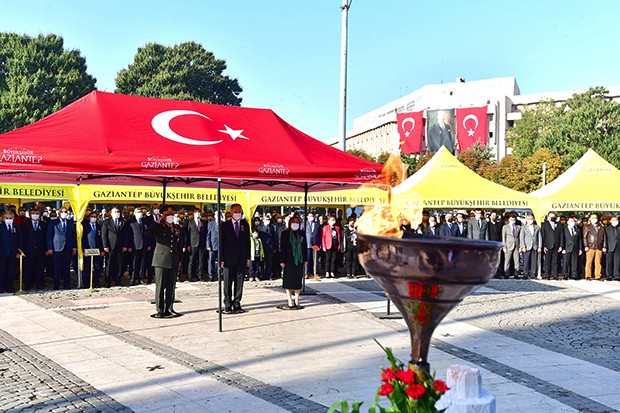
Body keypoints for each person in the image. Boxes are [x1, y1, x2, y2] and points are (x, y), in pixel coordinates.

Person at [146, 209, 183, 318]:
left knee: (171, 286)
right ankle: (160, 309)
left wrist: (179, 259)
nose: (171, 217)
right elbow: (148, 232)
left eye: (172, 215)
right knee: (160, 286)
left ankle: (169, 308)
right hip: (161, 260)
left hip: (173, 259)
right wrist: (158, 221)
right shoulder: (159, 227)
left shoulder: (177, 228)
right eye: (168, 215)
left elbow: (179, 245)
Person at [220, 203, 250, 314]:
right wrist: (221, 258)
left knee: (239, 282)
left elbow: (247, 242)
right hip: (228, 258)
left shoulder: (244, 224)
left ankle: (237, 303)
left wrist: (248, 257)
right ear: (231, 212)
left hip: (241, 258)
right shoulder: (225, 225)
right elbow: (221, 243)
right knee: (227, 282)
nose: (238, 214)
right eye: (236, 212)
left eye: (239, 212)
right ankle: (227, 303)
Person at [279, 215, 308, 309]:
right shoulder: (285, 234)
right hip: (288, 260)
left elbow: (304, 247)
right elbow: (282, 248)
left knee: (297, 280)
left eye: (297, 222)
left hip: (299, 260)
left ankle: (297, 300)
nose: (295, 224)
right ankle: (289, 301)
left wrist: (306, 259)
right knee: (288, 280)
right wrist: (282, 260)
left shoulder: (302, 233)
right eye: (293, 222)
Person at [46, 207, 77, 290]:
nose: (64, 213)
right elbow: (49, 236)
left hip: (68, 247)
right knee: (57, 267)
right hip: (57, 248)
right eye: (62, 212)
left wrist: (74, 247)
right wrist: (50, 248)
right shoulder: (53, 223)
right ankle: (56, 284)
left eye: (65, 211)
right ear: (59, 213)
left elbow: (73, 236)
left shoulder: (70, 223)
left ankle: (67, 284)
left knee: (66, 268)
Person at [20, 209, 47, 290]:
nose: (35, 215)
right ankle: (28, 284)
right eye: (33, 213)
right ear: (30, 214)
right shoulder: (25, 224)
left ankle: (39, 284)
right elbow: (22, 237)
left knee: (39, 267)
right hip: (28, 249)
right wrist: (21, 249)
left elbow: (46, 237)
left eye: (37, 213)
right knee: (28, 267)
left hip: (40, 249)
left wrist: (46, 249)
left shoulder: (43, 224)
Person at [101, 207, 126, 287]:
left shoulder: (122, 222)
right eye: (115, 212)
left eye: (118, 212)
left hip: (120, 245)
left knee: (119, 264)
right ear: (111, 213)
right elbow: (104, 234)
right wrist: (105, 245)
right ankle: (107, 281)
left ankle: (118, 280)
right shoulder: (106, 222)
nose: (117, 213)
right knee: (109, 264)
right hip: (110, 246)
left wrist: (125, 245)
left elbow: (125, 235)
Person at [125, 208, 148, 285]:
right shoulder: (131, 222)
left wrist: (148, 244)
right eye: (138, 212)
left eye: (140, 212)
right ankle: (133, 279)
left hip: (144, 245)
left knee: (142, 263)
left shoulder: (144, 221)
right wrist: (128, 245)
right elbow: (128, 235)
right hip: (134, 245)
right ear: (134, 213)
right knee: (134, 263)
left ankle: (141, 278)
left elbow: (147, 234)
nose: (140, 213)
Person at [82, 211, 104, 288]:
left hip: (97, 250)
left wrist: (102, 250)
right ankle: (86, 283)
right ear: (89, 218)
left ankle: (96, 282)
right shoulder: (85, 227)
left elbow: (101, 239)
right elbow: (82, 239)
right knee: (87, 267)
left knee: (97, 267)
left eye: (95, 217)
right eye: (92, 217)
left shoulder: (99, 226)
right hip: (88, 250)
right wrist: (83, 250)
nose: (94, 218)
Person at [0, 211, 21, 293]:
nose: (9, 219)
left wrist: (19, 251)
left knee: (11, 271)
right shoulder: (1, 227)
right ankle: (1, 287)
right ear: (3, 218)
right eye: (7, 218)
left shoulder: (17, 227)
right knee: (2, 270)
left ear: (13, 218)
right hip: (2, 252)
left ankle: (9, 287)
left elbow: (20, 240)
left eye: (10, 218)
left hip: (13, 252)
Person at [582, 213, 607, 280]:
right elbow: (584, 237)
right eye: (593, 218)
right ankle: (588, 275)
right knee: (589, 262)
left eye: (595, 218)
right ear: (590, 219)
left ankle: (598, 275)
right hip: (590, 246)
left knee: (598, 262)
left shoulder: (601, 227)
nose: (594, 219)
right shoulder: (587, 227)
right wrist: (586, 246)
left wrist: (604, 246)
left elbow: (604, 238)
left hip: (599, 246)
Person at [541, 211, 564, 280]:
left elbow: (561, 235)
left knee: (555, 261)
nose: (552, 218)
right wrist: (543, 246)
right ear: (548, 217)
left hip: (556, 245)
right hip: (548, 245)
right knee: (547, 261)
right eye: (550, 216)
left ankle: (555, 274)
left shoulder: (559, 224)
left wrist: (561, 245)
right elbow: (543, 235)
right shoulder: (545, 224)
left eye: (553, 216)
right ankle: (547, 275)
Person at [519, 214, 542, 280]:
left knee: (533, 261)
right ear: (526, 220)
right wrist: (523, 246)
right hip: (526, 247)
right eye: (528, 219)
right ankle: (525, 274)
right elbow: (522, 237)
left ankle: (533, 274)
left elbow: (539, 237)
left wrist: (539, 246)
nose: (530, 220)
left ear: (533, 219)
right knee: (526, 261)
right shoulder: (523, 227)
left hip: (535, 246)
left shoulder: (537, 227)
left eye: (531, 219)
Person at [186, 208, 207, 282]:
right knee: (192, 260)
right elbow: (188, 234)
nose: (197, 213)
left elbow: (205, 234)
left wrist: (205, 244)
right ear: (194, 213)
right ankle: (190, 276)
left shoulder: (203, 222)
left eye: (199, 212)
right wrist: (188, 244)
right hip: (193, 243)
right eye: (196, 212)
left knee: (201, 260)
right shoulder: (190, 222)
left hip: (201, 244)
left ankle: (200, 275)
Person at [257, 214, 278, 280]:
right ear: (263, 220)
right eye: (266, 219)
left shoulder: (272, 227)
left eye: (269, 219)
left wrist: (275, 247)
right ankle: (262, 274)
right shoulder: (260, 227)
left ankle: (268, 275)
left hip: (270, 247)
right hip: (263, 247)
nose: (268, 221)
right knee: (262, 262)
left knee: (269, 262)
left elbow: (275, 238)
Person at [562, 216, 583, 280]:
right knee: (566, 262)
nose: (572, 222)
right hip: (567, 248)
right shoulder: (564, 229)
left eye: (573, 221)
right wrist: (563, 248)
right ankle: (566, 275)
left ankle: (574, 275)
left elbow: (580, 240)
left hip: (575, 248)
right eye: (571, 221)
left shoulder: (577, 230)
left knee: (574, 262)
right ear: (568, 222)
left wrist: (580, 249)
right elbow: (562, 239)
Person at [502, 214, 521, 279]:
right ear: (509, 219)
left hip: (516, 245)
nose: (512, 220)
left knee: (517, 260)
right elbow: (504, 238)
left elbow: (519, 237)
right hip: (508, 245)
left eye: (514, 219)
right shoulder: (505, 227)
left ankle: (516, 273)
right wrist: (504, 247)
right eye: (511, 219)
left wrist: (520, 246)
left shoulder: (518, 227)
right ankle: (506, 273)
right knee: (507, 261)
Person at [304, 212, 322, 279]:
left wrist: (320, 244)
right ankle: (307, 273)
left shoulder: (317, 224)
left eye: (312, 216)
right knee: (307, 259)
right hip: (307, 244)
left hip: (315, 244)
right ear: (307, 217)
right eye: (310, 216)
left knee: (315, 260)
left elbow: (320, 235)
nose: (311, 217)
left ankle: (316, 273)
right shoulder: (304, 224)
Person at [605, 215, 620, 281]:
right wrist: (605, 247)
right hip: (609, 246)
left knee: (617, 262)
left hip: (618, 247)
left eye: (616, 220)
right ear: (610, 221)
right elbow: (605, 238)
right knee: (609, 262)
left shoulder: (619, 228)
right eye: (613, 220)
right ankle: (609, 275)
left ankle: (616, 275)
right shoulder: (607, 229)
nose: (615, 221)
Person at [206, 211, 219, 281]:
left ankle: (220, 275)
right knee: (211, 261)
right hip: (212, 245)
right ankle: (211, 276)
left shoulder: (223, 224)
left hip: (220, 246)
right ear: (215, 216)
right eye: (217, 215)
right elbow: (208, 235)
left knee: (220, 261)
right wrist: (208, 245)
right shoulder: (210, 224)